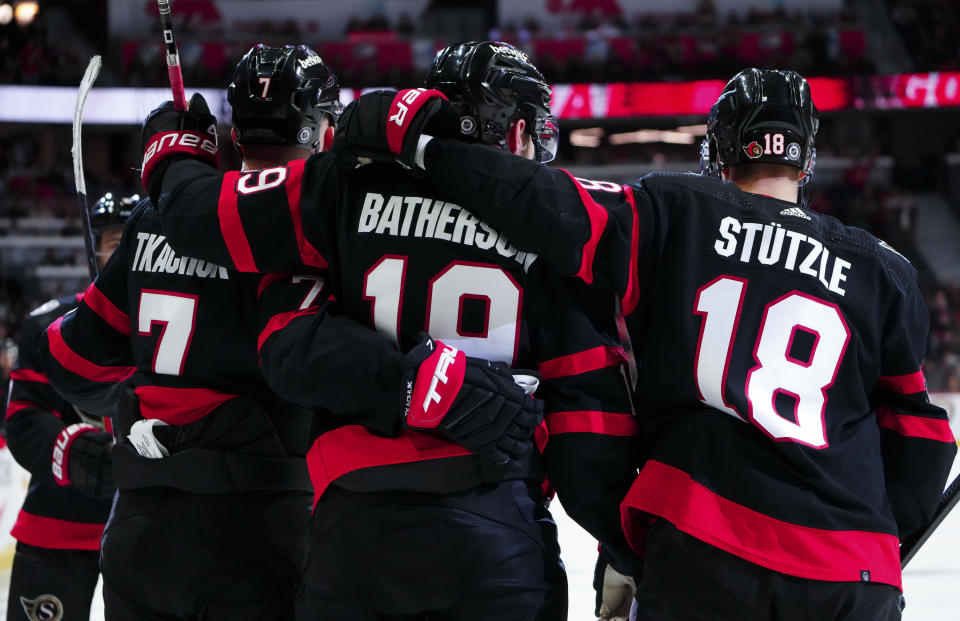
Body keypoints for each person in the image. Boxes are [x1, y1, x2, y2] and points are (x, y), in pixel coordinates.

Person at [333, 67, 958, 619]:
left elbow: (540, 201)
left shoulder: (677, 210)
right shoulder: (886, 269)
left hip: (705, 541)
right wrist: (878, 543)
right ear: (806, 158)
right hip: (850, 567)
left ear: (720, 149)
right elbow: (924, 438)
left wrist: (424, 148)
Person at [140, 40, 640, 620]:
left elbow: (196, 217)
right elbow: (588, 427)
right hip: (496, 529)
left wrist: (176, 149)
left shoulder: (343, 184)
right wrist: (624, 547)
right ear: (515, 132)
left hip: (352, 528)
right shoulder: (556, 230)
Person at [37, 44, 342, 620]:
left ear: (234, 134)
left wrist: (133, 389)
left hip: (142, 530)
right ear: (325, 134)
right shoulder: (314, 225)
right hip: (264, 528)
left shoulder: (156, 219)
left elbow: (71, 363)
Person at [4, 192, 130, 621]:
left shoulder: (183, 325)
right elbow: (21, 419)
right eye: (117, 242)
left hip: (151, 535)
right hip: (58, 526)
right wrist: (71, 450)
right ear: (94, 249)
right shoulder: (48, 325)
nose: (127, 254)